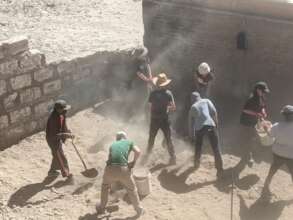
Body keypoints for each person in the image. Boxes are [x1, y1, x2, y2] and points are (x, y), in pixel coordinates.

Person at [96, 131, 144, 216]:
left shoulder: (112, 145)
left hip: (109, 169)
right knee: (132, 190)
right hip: (123, 170)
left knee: (105, 187)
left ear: (117, 138)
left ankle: (102, 208)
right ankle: (139, 210)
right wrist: (133, 162)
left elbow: (110, 160)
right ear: (125, 137)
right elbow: (138, 151)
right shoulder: (129, 142)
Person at [143, 73, 176, 165]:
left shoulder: (152, 93)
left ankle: (147, 155)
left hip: (154, 119)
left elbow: (150, 106)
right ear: (165, 84)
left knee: (151, 138)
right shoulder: (169, 93)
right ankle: (173, 157)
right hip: (164, 119)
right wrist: (167, 108)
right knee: (168, 138)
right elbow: (173, 107)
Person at [188, 92, 223, 178]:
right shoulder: (206, 101)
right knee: (216, 148)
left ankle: (196, 164)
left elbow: (191, 123)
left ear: (192, 100)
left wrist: (192, 136)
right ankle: (220, 169)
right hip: (210, 125)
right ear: (199, 97)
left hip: (199, 128)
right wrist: (216, 124)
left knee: (198, 146)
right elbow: (214, 112)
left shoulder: (192, 107)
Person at [262, 105, 293, 198]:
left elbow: (270, 135)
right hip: (291, 156)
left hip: (278, 153)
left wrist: (266, 128)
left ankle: (266, 184)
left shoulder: (277, 126)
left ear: (284, 115)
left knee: (273, 169)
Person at [239, 81, 270, 167]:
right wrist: (257, 114)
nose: (264, 93)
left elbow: (263, 107)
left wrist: (264, 112)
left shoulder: (262, 97)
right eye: (263, 91)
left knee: (252, 138)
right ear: (258, 90)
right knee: (248, 139)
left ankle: (248, 155)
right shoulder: (251, 98)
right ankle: (248, 157)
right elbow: (245, 110)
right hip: (246, 122)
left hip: (254, 122)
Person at [46, 100, 74, 178]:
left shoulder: (62, 114)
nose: (66, 110)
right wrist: (65, 135)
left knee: (57, 155)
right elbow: (53, 135)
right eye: (64, 109)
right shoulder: (53, 119)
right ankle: (67, 174)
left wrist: (67, 131)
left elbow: (64, 124)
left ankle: (52, 172)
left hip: (58, 137)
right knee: (61, 157)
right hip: (52, 140)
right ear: (58, 109)